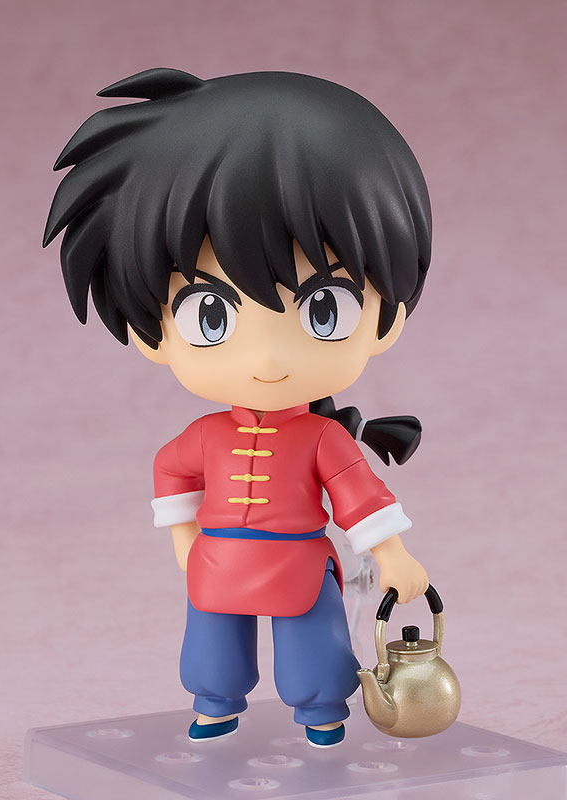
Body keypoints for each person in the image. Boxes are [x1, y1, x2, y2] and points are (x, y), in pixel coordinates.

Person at [44, 68, 432, 748]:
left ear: (388, 317)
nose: (268, 356)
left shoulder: (323, 440)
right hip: (218, 563)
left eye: (323, 308)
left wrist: (392, 555)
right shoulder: (203, 436)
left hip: (299, 564)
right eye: (211, 313)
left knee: (313, 648)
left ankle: (321, 710)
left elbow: (359, 496)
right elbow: (171, 469)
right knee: (212, 648)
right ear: (152, 332)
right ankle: (215, 701)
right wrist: (184, 538)